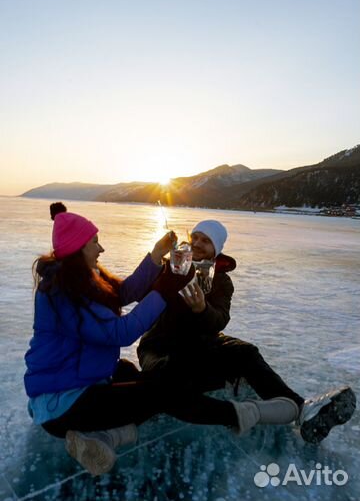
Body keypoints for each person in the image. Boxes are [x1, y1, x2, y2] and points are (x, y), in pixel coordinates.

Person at [24, 204, 304, 477]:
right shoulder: (65, 293)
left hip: (78, 389)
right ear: (77, 248)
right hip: (63, 404)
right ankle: (245, 414)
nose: (101, 248)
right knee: (164, 391)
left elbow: (123, 293)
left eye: (206, 241)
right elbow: (122, 332)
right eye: (95, 242)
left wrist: (156, 256)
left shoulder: (79, 279)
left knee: (129, 372)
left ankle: (111, 435)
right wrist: (167, 283)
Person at [138, 219, 356, 444]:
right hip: (160, 346)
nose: (197, 244)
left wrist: (202, 309)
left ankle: (304, 410)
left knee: (246, 352)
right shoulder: (172, 266)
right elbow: (142, 292)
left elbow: (220, 318)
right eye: (195, 238)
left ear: (217, 249)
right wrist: (160, 263)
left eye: (205, 240)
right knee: (169, 373)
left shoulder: (221, 281)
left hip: (200, 344)